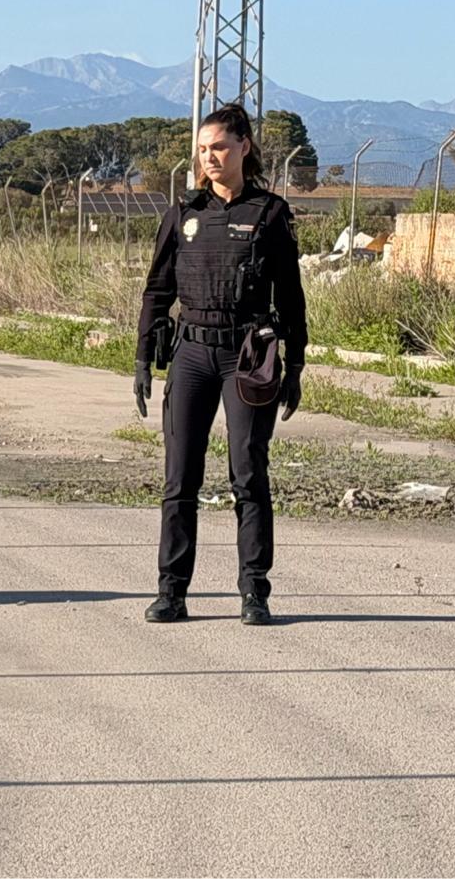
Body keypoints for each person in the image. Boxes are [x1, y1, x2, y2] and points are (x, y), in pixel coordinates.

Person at [134, 103, 307, 626]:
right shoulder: (183, 214)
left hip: (247, 356)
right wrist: (144, 357)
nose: (211, 157)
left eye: (221, 147)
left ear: (245, 147)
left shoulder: (270, 214)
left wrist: (294, 366)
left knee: (249, 474)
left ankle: (255, 592)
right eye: (204, 149)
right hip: (190, 354)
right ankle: (172, 591)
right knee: (179, 478)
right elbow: (157, 291)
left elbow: (292, 298)